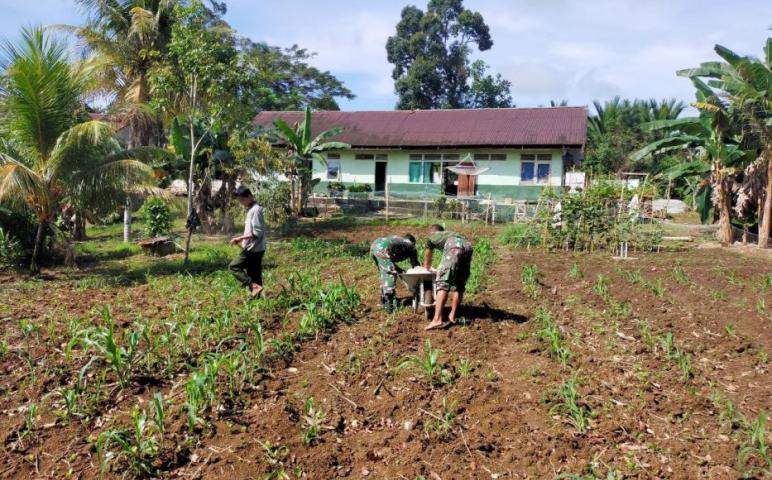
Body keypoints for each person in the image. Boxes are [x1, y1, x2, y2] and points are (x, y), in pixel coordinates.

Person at [423, 224, 473, 330]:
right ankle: (452, 315)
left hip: (454, 247)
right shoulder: (450, 234)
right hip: (468, 246)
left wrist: (426, 268)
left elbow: (428, 255)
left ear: (432, 232)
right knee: (459, 285)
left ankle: (437, 320)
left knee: (443, 283)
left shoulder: (431, 237)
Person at [229, 186, 266, 297]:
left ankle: (254, 286)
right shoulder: (252, 209)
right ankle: (257, 298)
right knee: (254, 274)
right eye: (239, 200)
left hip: (253, 249)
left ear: (249, 196)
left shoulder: (255, 210)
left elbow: (257, 232)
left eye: (242, 200)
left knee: (234, 266)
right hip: (256, 248)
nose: (241, 203)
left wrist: (240, 238)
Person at [370, 234, 419, 312]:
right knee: (390, 274)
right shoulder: (411, 246)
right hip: (382, 248)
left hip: (375, 245)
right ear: (413, 242)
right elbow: (415, 265)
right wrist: (417, 280)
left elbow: (389, 261)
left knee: (384, 272)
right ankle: (389, 304)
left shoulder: (398, 241)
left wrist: (400, 270)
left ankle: (383, 298)